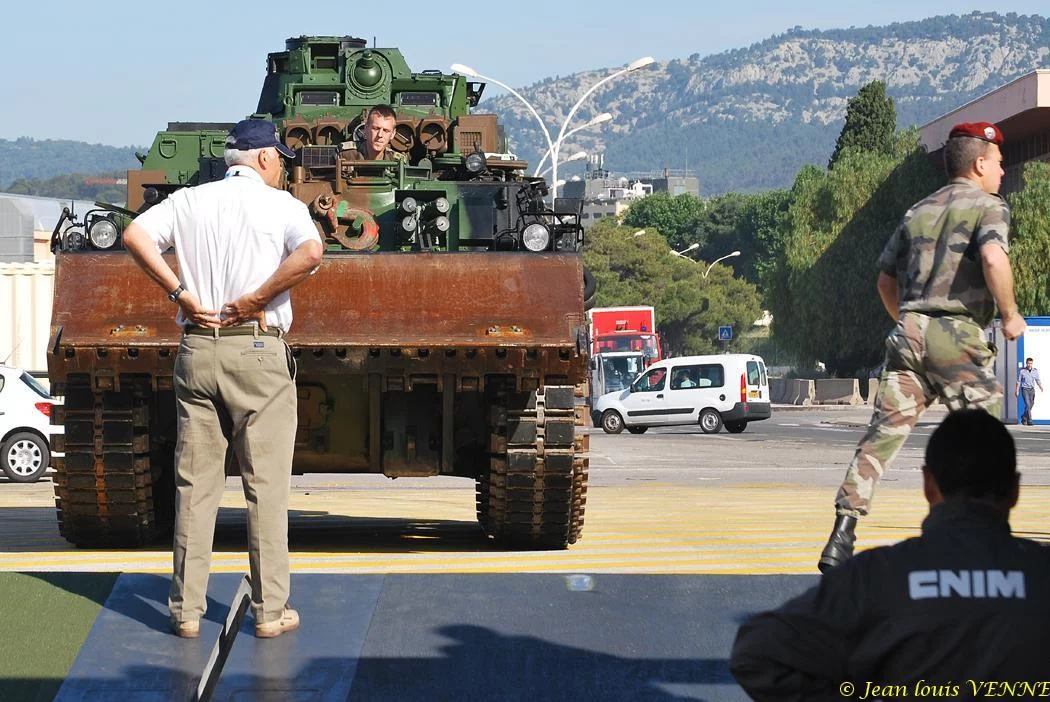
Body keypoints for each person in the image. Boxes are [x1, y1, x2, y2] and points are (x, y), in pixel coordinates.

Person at [122, 119, 324, 639]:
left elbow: (134, 234)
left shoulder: (190, 201)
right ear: (261, 159)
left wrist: (179, 292)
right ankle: (270, 611)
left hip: (197, 348)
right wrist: (257, 299)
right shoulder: (283, 207)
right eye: (279, 158)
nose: (282, 166)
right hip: (257, 350)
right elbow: (312, 253)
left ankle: (186, 612)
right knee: (266, 487)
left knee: (195, 486)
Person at [818, 121, 1027, 573]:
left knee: (881, 437)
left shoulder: (918, 211)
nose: (1003, 172)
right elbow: (993, 258)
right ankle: (987, 536)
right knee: (984, 440)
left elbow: (884, 281)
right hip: (957, 335)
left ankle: (842, 534)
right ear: (979, 163)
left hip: (908, 333)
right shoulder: (988, 205)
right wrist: (1010, 314)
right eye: (999, 163)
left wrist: (909, 324)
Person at [732, 410, 1050, 698]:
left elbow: (757, 653)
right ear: (1014, 489)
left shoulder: (879, 577)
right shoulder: (1040, 574)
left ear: (928, 484)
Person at [1015, 357, 1043, 425]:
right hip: (1025, 389)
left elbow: (1037, 380)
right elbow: (1018, 381)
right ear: (1026, 363)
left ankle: (1024, 417)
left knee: (1031, 404)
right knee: (1027, 404)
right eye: (1028, 363)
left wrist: (1040, 386)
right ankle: (1029, 420)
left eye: (1031, 363)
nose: (1029, 365)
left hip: (1032, 389)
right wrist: (1017, 390)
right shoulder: (1022, 371)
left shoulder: (1035, 371)